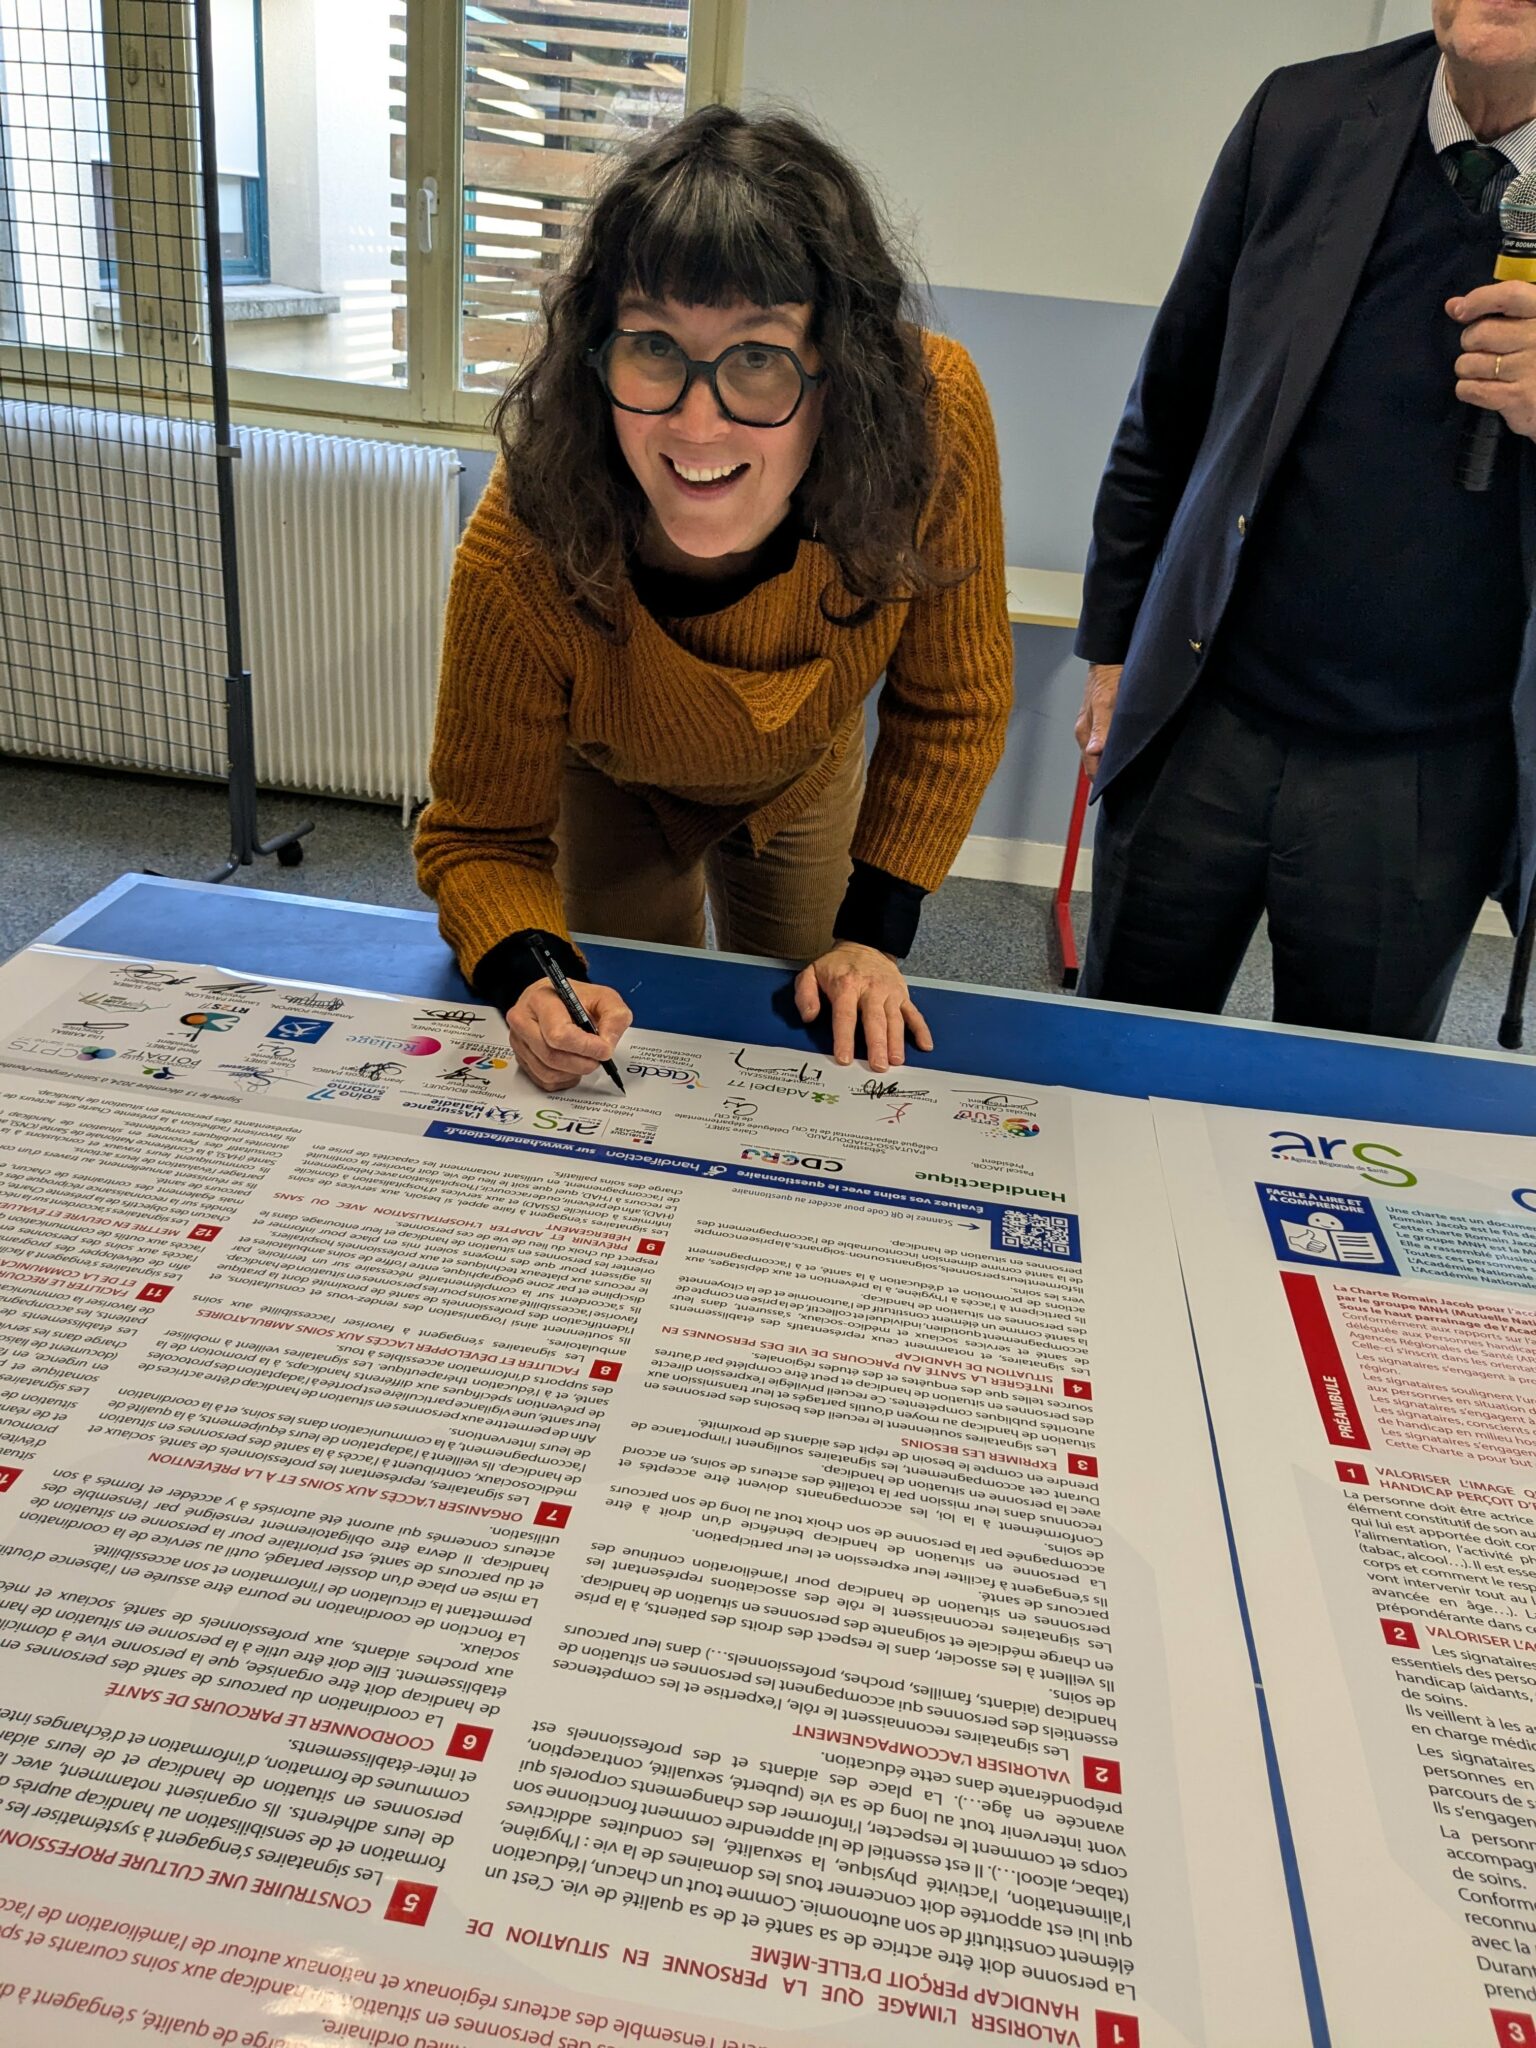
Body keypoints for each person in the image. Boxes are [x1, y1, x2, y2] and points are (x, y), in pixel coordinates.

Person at [416, 105, 1012, 1091]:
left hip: (805, 762)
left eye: (759, 356)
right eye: (654, 346)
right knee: (629, 1008)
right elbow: (482, 835)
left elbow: (954, 701)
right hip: (616, 770)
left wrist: (873, 933)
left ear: (843, 367)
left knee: (809, 1005)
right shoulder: (528, 538)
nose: (699, 428)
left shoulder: (929, 420)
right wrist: (531, 973)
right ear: (595, 353)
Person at [1073, 0, 1536, 1040]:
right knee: (1119, 1053)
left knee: (1352, 1103)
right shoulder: (1304, 115)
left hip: (1423, 773)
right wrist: (1112, 655)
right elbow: (1170, 401)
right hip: (1208, 714)